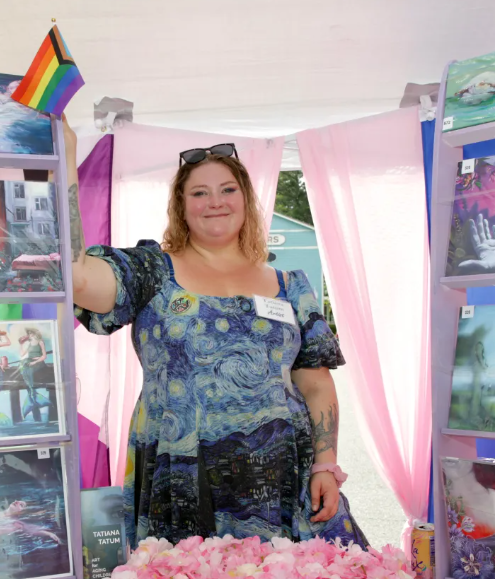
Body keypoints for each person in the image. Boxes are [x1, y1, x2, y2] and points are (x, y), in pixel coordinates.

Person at [64, 119, 365, 548]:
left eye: (227, 190)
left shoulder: (291, 285)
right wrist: (66, 160)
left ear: (246, 199)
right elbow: (76, 279)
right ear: (181, 207)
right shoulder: (151, 270)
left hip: (283, 483)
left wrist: (325, 465)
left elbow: (316, 385)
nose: (215, 202)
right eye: (199, 193)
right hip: (184, 481)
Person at [19, 327, 49, 420]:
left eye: (30, 333)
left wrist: (35, 362)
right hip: (30, 361)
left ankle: (32, 394)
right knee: (22, 368)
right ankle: (32, 394)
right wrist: (21, 345)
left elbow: (44, 356)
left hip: (39, 362)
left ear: (35, 333)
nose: (29, 335)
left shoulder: (40, 342)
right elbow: (22, 354)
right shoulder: (29, 344)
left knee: (30, 370)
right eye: (28, 333)